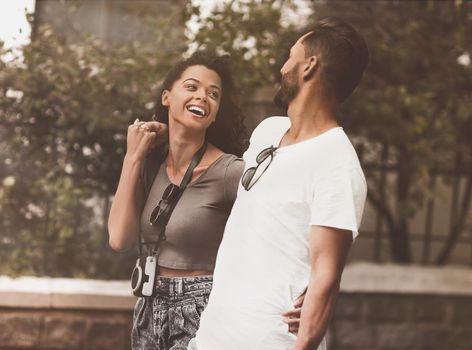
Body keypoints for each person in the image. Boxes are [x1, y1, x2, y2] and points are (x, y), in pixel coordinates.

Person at [190, 18, 369, 350]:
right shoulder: (268, 131)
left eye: (290, 56)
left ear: (309, 66)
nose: (282, 67)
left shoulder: (336, 163)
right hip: (209, 340)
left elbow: (325, 282)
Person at [107, 51, 246, 350]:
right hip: (148, 305)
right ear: (167, 97)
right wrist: (134, 157)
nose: (203, 97)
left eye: (213, 94)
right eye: (192, 87)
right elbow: (119, 238)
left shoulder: (230, 171)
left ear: (217, 111)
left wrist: (303, 290)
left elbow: (278, 225)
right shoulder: (150, 163)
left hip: (202, 310)